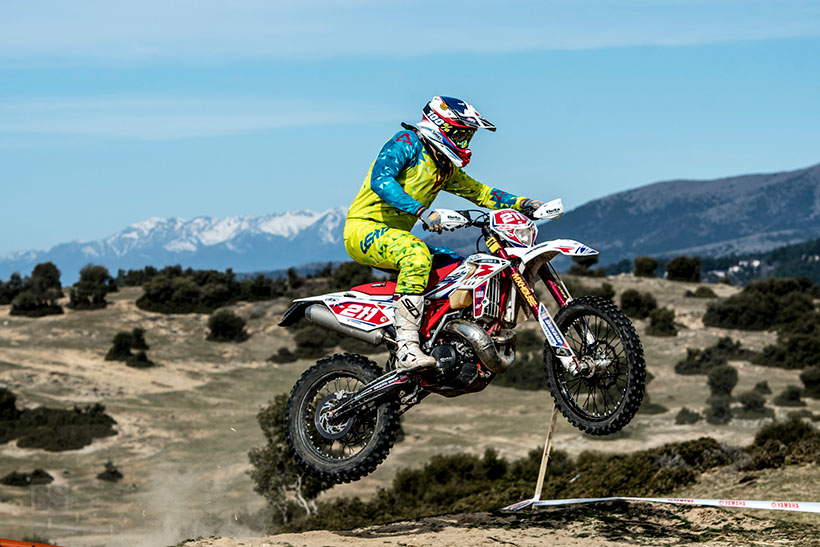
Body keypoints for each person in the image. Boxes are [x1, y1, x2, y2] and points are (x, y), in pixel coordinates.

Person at [343, 96, 544, 372]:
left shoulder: (444, 167)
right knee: (416, 255)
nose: (465, 142)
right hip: (363, 229)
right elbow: (382, 180)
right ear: (440, 127)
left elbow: (480, 192)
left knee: (457, 267)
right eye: (460, 135)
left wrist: (523, 203)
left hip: (395, 236)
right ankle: (406, 347)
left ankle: (439, 337)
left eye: (468, 137)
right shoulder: (406, 142)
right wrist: (422, 212)